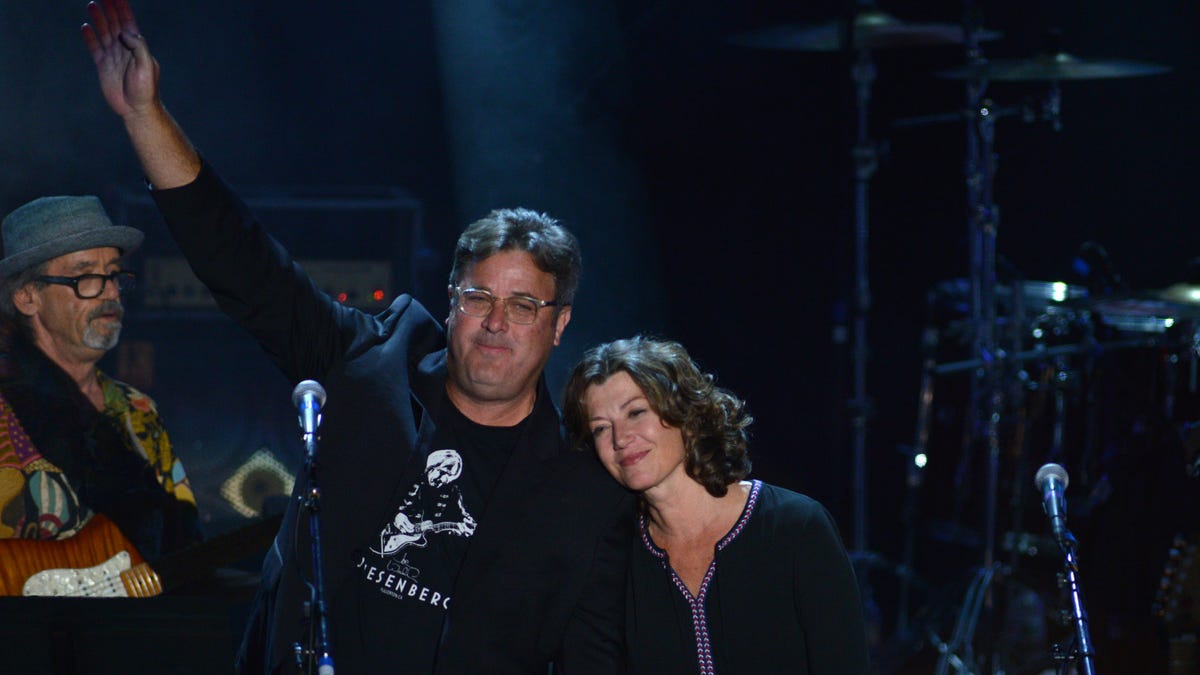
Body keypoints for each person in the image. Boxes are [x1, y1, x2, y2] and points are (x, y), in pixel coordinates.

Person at [82, 0, 633, 672]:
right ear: (451, 301)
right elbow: (243, 261)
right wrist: (145, 115)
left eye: (523, 305)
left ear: (559, 322)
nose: (496, 321)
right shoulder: (371, 362)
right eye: (480, 296)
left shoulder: (577, 484)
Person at [562, 336, 871, 673]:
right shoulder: (612, 556)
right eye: (601, 429)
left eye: (636, 412)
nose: (621, 439)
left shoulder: (796, 527)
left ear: (685, 414)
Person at [0, 194, 200, 565]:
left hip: (129, 623)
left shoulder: (138, 410)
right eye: (87, 276)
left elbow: (183, 548)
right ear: (27, 297)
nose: (110, 292)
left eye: (113, 275)